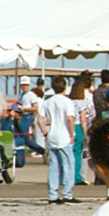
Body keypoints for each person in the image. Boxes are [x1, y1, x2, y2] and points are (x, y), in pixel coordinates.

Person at [37, 77, 77, 205]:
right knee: (68, 165)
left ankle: (53, 194)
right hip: (64, 136)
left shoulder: (47, 102)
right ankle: (67, 194)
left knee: (54, 166)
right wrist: (72, 134)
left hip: (52, 135)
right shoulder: (67, 102)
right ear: (65, 87)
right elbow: (70, 119)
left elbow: (39, 120)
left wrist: (45, 132)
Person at [67, 77, 94, 188]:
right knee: (78, 153)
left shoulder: (68, 102)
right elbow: (83, 120)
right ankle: (77, 176)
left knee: (69, 153)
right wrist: (86, 132)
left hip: (68, 127)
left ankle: (67, 176)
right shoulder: (81, 103)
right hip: (78, 127)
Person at [16, 76, 46, 160]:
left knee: (25, 138)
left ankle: (42, 151)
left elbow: (35, 107)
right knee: (21, 137)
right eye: (23, 85)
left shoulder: (31, 95)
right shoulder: (21, 95)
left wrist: (24, 109)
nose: (24, 86)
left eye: (26, 85)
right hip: (22, 116)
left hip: (28, 116)